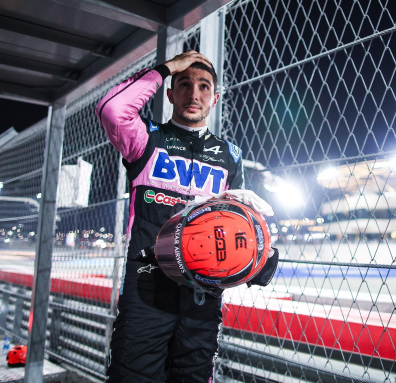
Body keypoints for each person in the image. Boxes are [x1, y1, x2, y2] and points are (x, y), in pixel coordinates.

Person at [96, 51, 271, 382]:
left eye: (204, 86)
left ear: (215, 98)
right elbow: (112, 109)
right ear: (170, 93)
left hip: (203, 299)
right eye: (184, 84)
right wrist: (165, 68)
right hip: (147, 288)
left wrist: (260, 257)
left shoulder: (229, 155)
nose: (194, 94)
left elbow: (237, 225)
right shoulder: (147, 139)